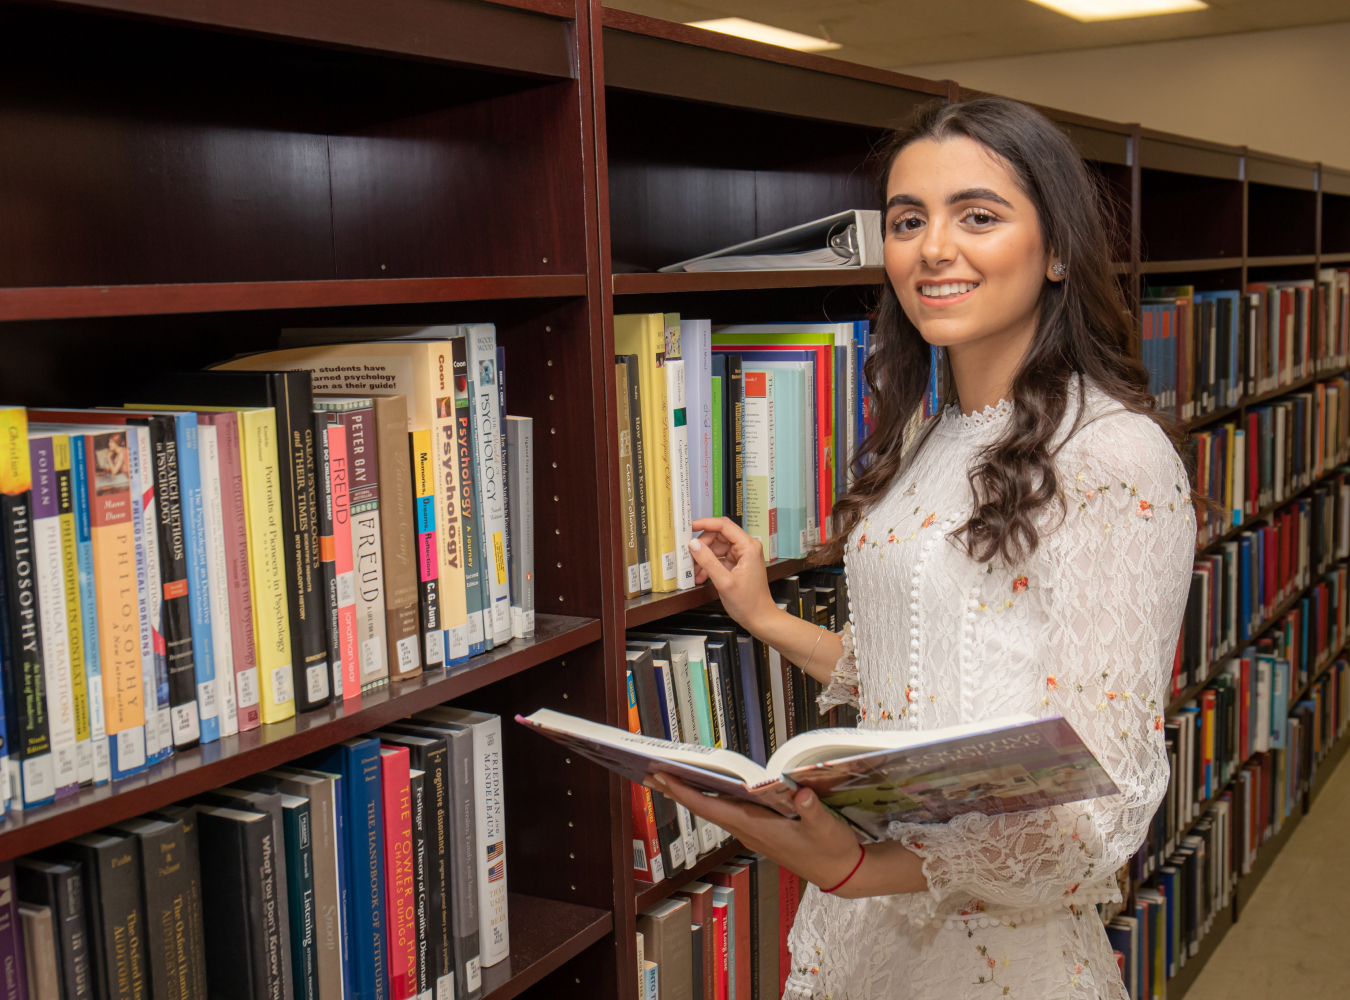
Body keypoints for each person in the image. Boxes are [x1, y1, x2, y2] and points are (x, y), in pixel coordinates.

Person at [643, 96, 1195, 1000]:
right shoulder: (931, 437)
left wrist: (853, 863)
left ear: (1057, 251)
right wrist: (766, 618)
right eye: (908, 220)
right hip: (860, 940)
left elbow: (1100, 807)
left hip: (998, 961)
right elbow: (932, 675)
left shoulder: (1113, 455)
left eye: (977, 215)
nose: (933, 247)